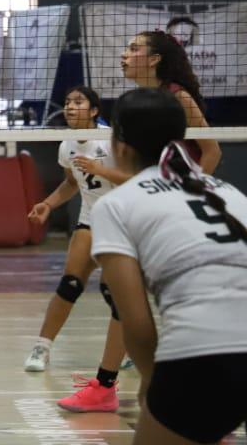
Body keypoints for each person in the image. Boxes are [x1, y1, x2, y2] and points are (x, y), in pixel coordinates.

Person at [91, 88, 247, 445]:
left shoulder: (115, 205)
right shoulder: (229, 192)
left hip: (203, 353)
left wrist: (151, 380)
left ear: (120, 145)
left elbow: (137, 324)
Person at [22, 86, 135, 412]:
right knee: (70, 284)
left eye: (78, 102)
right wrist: (47, 204)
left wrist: (101, 170)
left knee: (115, 293)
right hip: (90, 218)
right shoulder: (66, 145)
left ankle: (128, 349)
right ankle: (42, 347)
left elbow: (132, 178)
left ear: (94, 110)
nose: (70, 107)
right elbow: (72, 183)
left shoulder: (112, 140)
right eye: (68, 102)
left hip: (120, 221)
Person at [121, 30, 221, 174]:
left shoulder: (178, 96)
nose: (124, 54)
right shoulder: (136, 99)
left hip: (182, 180)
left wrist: (195, 184)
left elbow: (212, 151)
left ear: (153, 59)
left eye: (134, 49)